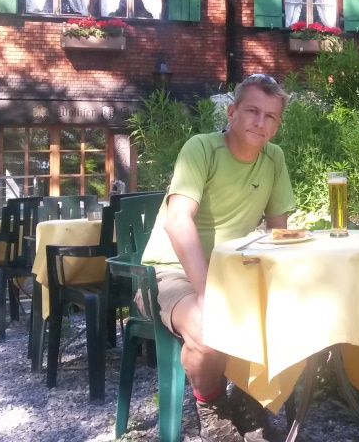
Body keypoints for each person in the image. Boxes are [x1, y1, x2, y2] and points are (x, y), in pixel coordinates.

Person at [141, 73, 294, 442]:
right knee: (208, 328)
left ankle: (248, 398)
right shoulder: (202, 149)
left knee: (293, 311)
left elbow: (279, 232)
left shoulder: (273, 158)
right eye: (252, 111)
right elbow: (178, 221)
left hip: (233, 273)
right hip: (171, 271)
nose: (260, 122)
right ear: (232, 113)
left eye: (270, 116)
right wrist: (206, 293)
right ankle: (211, 408)